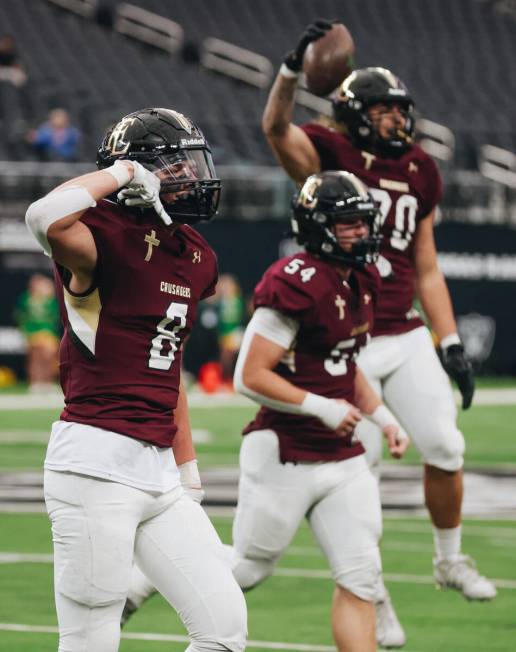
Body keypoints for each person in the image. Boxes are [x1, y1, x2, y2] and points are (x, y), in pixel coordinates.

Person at [261, 20, 496, 648]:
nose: (397, 120)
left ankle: (448, 559)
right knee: (355, 474)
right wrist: (290, 71)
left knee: (446, 444)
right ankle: (377, 597)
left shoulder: (421, 169)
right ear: (354, 115)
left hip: (405, 328)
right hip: (349, 336)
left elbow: (425, 263)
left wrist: (449, 344)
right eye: (385, 110)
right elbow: (276, 129)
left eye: (401, 110)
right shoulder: (328, 151)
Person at [25, 107, 247, 652]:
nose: (191, 178)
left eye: (190, 166)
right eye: (173, 168)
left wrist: (188, 470)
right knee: (90, 640)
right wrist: (122, 175)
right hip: (95, 462)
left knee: (223, 628)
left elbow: (168, 368)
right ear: (137, 170)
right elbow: (42, 215)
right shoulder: (99, 234)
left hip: (158, 473)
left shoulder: (195, 255)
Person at [231, 171, 409, 652]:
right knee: (247, 568)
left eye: (363, 221)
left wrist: (386, 419)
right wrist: (323, 409)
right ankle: (140, 587)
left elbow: (344, 363)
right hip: (284, 450)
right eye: (348, 223)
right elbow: (250, 375)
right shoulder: (296, 281)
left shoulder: (362, 277)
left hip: (342, 457)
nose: (362, 232)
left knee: (361, 577)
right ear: (318, 226)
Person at [13, 273, 60, 392]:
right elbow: (20, 316)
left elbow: (55, 317)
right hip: (32, 334)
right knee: (35, 359)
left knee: (49, 358)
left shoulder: (51, 301)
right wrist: (25, 330)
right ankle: (35, 383)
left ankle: (47, 383)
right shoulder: (26, 299)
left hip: (48, 334)